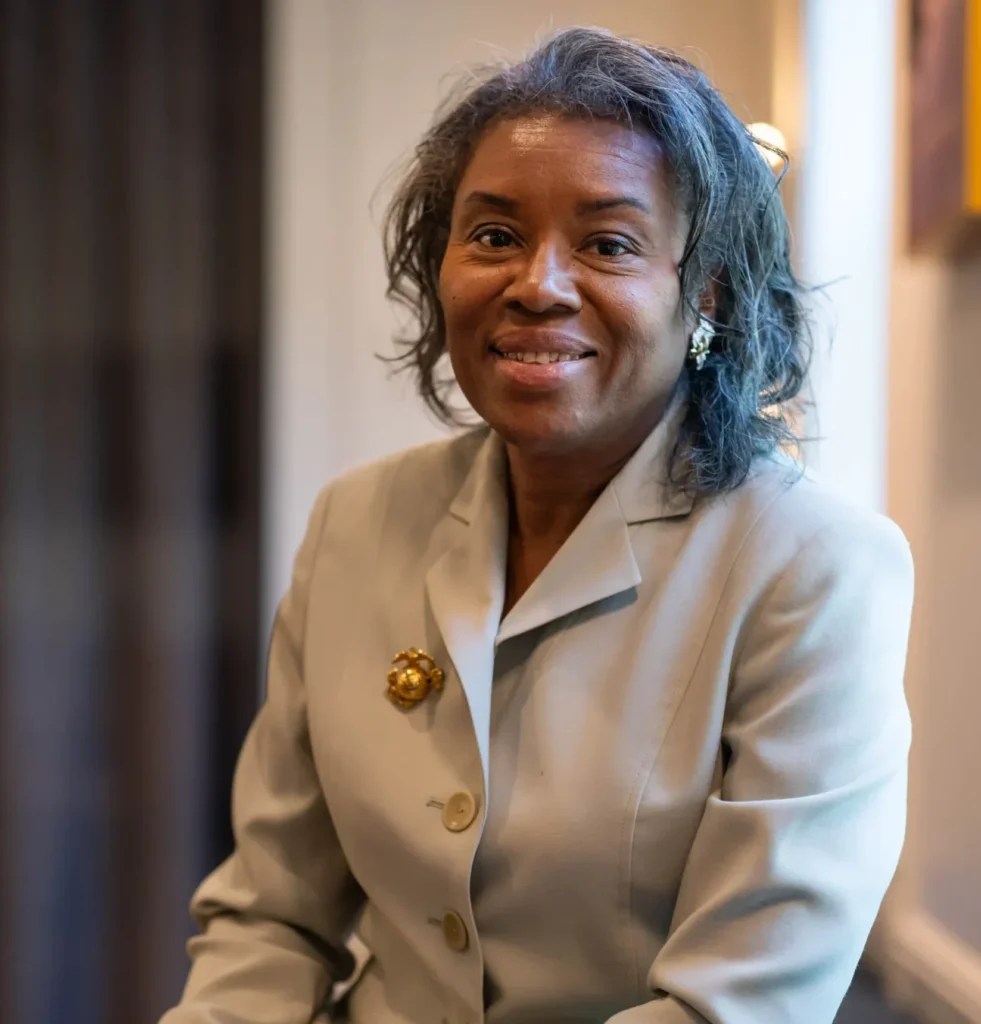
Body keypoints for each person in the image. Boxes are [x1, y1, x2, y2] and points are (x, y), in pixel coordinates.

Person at [161, 27, 914, 1024]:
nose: (537, 284)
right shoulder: (357, 521)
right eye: (495, 235)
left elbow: (735, 1005)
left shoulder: (813, 565)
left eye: (607, 242)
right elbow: (272, 917)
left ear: (708, 294)